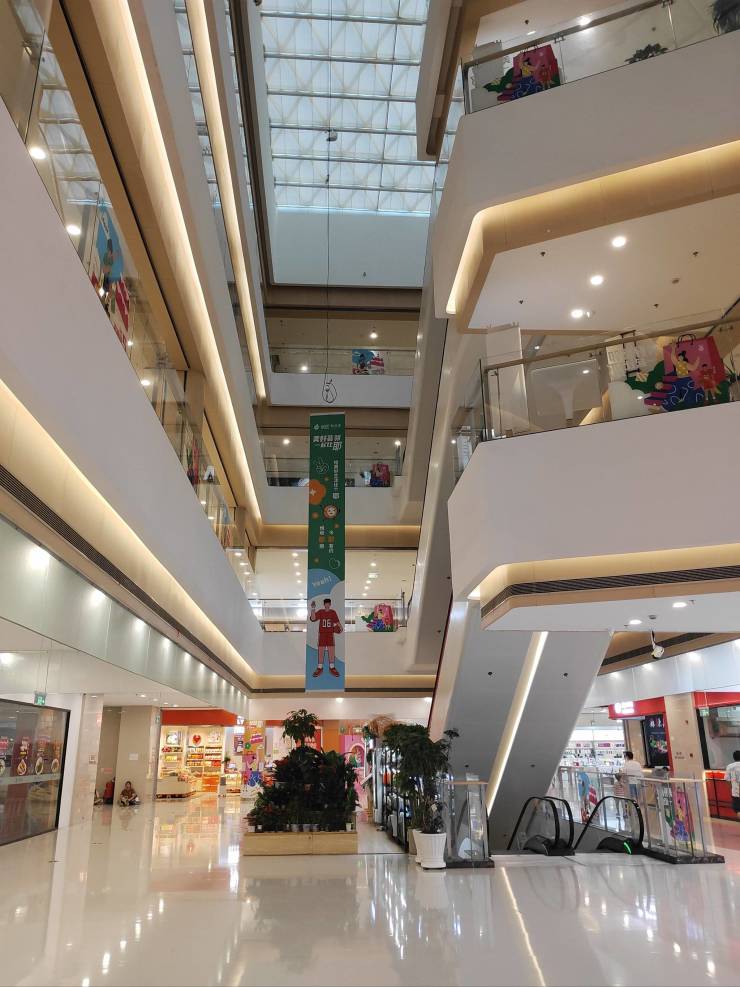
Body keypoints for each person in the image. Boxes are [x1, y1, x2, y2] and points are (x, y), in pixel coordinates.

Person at [309, 598, 342, 678]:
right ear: (324, 604)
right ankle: (320, 667)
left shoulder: (333, 612)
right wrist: (313, 609)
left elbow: (337, 621)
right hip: (322, 634)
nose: (327, 604)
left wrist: (340, 627)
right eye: (326, 603)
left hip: (330, 634)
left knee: (331, 650)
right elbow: (313, 618)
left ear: (330, 604)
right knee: (321, 650)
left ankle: (332, 667)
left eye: (328, 603)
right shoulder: (321, 612)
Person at [724, 749, 740, 819]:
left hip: (735, 792)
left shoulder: (729, 766)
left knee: (738, 810)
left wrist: (731, 788)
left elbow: (727, 779)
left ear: (734, 757)